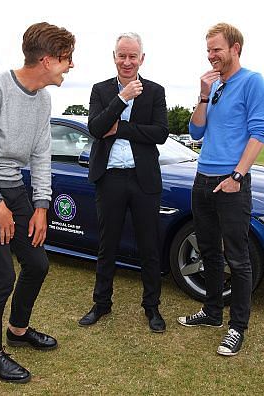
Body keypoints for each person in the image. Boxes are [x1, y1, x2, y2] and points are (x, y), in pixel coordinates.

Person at [0, 22, 75, 383]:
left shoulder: (45, 100)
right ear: (47, 60)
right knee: (2, 275)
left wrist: (40, 206)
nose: (71, 66)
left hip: (12, 188)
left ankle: (17, 331)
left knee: (37, 263)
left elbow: (40, 155)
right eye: (67, 59)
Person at [177, 23, 264, 356]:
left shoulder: (252, 82)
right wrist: (203, 94)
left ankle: (237, 327)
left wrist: (238, 176)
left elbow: (260, 132)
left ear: (235, 49)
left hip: (231, 182)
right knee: (209, 252)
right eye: (208, 50)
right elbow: (196, 131)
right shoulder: (214, 87)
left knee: (238, 258)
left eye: (216, 49)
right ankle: (213, 312)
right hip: (201, 179)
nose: (211, 55)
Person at [78, 32, 169, 333]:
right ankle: (101, 304)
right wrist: (122, 98)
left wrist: (120, 128)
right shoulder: (101, 90)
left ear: (142, 58)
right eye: (122, 55)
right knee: (108, 244)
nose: (127, 61)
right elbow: (95, 127)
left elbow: (160, 133)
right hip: (110, 179)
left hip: (143, 180)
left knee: (149, 247)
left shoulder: (155, 91)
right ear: (114, 57)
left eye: (133, 56)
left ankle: (152, 308)